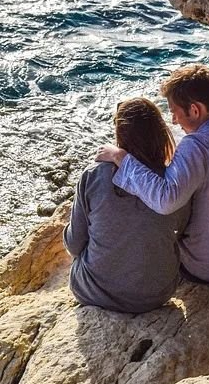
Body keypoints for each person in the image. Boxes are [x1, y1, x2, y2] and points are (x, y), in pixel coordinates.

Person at [96, 64, 209, 284]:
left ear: (195, 110)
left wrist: (121, 158)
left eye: (174, 112)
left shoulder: (196, 145)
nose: (173, 121)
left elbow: (165, 200)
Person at [64, 98, 190, 313]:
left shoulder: (95, 174)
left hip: (95, 292)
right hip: (156, 295)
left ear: (120, 135)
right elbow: (181, 231)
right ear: (160, 133)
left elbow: (74, 244)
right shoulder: (173, 182)